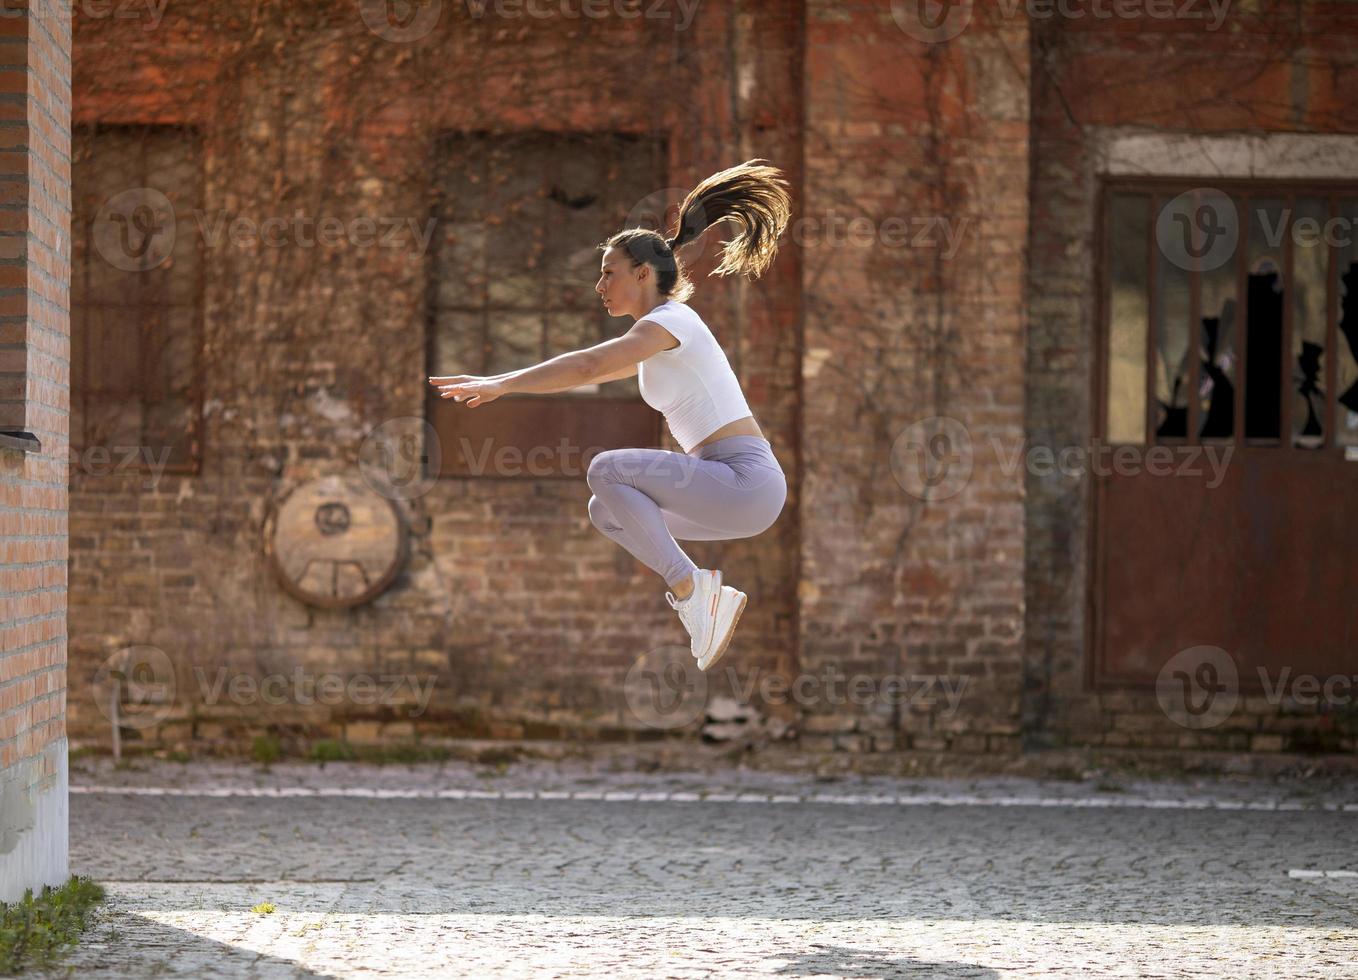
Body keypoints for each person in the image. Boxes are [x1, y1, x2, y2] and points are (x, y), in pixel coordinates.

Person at [428, 159, 791, 671]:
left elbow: (590, 365)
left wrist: (503, 383)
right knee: (606, 509)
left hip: (745, 480)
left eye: (608, 273)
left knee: (607, 468)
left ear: (643, 274)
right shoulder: (658, 330)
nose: (599, 285)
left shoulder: (670, 320)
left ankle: (694, 592)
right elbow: (589, 368)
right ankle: (697, 592)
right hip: (731, 491)